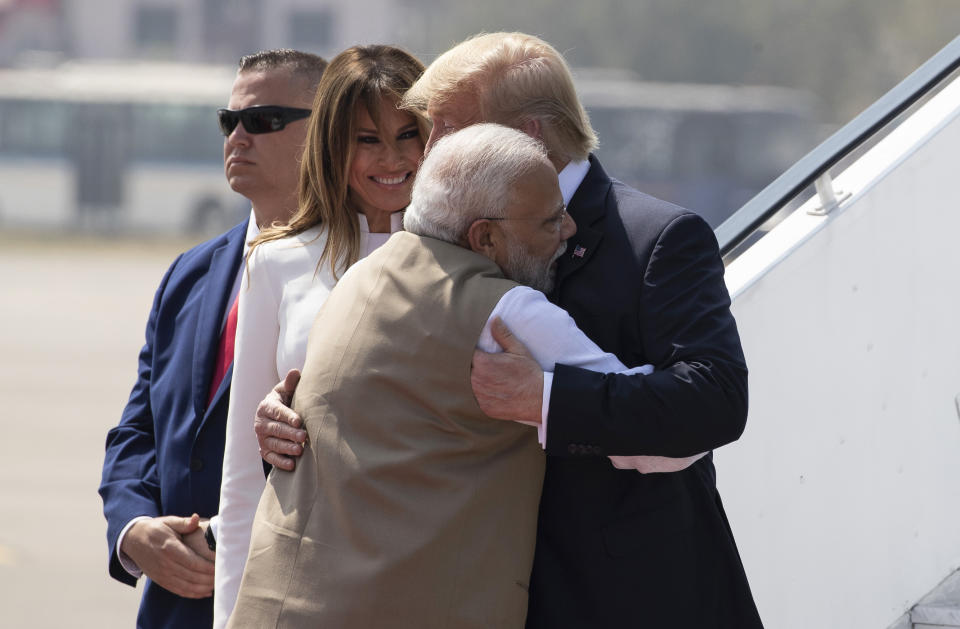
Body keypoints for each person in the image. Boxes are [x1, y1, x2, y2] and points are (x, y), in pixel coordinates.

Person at [258, 32, 763, 628]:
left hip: (628, 598)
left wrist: (547, 398)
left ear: (526, 136)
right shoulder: (444, 230)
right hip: (482, 594)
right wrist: (298, 416)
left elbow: (714, 400)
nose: (429, 150)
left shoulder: (658, 238)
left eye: (446, 129)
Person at [229, 123, 678, 628]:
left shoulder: (363, 274)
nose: (569, 230)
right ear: (484, 237)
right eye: (551, 220)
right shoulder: (511, 313)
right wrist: (548, 397)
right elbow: (666, 444)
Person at [97, 49, 326, 629]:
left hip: (289, 602)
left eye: (264, 120)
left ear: (328, 131)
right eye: (230, 121)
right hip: (174, 607)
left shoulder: (356, 275)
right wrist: (134, 529)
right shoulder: (189, 273)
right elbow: (138, 430)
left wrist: (226, 536)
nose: (239, 136)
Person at [212, 44, 427, 628]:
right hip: (309, 583)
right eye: (366, 139)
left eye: (409, 134)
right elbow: (238, 483)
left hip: (438, 573)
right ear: (332, 144)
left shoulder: (477, 261)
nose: (392, 158)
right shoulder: (276, 263)